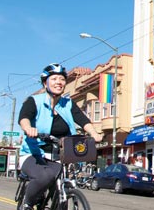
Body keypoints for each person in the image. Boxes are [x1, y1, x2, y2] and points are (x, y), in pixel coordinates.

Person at [18, 63, 103, 210]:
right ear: (45, 83)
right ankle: (27, 204)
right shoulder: (34, 101)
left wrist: (94, 133)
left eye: (62, 79)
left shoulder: (68, 104)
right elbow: (24, 117)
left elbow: (82, 120)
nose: (59, 82)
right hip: (34, 154)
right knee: (44, 177)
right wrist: (28, 128)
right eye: (54, 79)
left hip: (58, 155)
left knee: (59, 187)